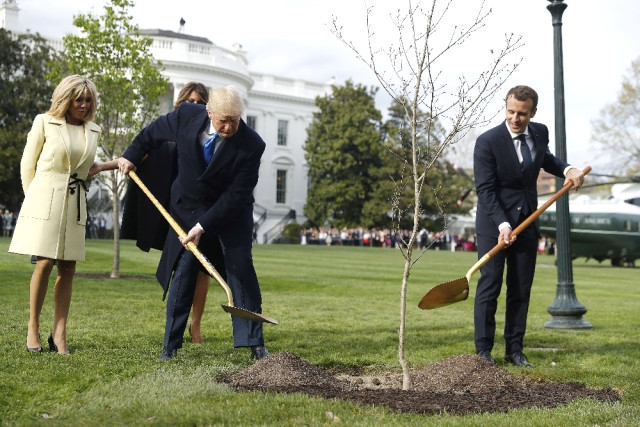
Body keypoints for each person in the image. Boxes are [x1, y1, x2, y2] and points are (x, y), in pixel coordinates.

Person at [116, 85, 268, 361]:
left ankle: (254, 343)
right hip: (188, 208)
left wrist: (203, 227)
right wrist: (131, 155)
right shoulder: (185, 115)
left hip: (231, 214)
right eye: (223, 120)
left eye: (234, 120)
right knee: (184, 271)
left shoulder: (252, 145)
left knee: (239, 266)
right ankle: (170, 346)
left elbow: (235, 196)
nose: (229, 127)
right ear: (209, 112)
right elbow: (152, 133)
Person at [473, 85, 584, 368]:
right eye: (511, 111)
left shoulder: (539, 132)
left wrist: (567, 169)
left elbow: (544, 158)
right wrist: (503, 224)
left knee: (521, 289)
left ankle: (515, 350)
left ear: (532, 113)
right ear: (506, 107)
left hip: (527, 222)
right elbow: (485, 191)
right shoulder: (487, 142)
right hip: (493, 224)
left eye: (522, 113)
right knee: (490, 286)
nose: (515, 118)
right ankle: (483, 352)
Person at [110, 82, 222, 345]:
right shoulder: (169, 128)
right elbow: (139, 149)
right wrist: (109, 163)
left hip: (203, 208)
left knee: (203, 268)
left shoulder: (212, 135)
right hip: (175, 208)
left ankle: (195, 326)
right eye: (189, 101)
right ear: (179, 103)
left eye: (199, 102)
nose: (193, 106)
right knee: (181, 266)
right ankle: (176, 326)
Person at [9, 75, 102, 354]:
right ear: (66, 99)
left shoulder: (93, 130)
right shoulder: (44, 122)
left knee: (68, 268)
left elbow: (86, 167)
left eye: (88, 100)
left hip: (75, 202)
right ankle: (33, 328)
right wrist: (34, 201)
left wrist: (115, 163)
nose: (83, 105)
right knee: (45, 262)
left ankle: (59, 334)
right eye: (78, 99)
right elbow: (28, 164)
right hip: (44, 201)